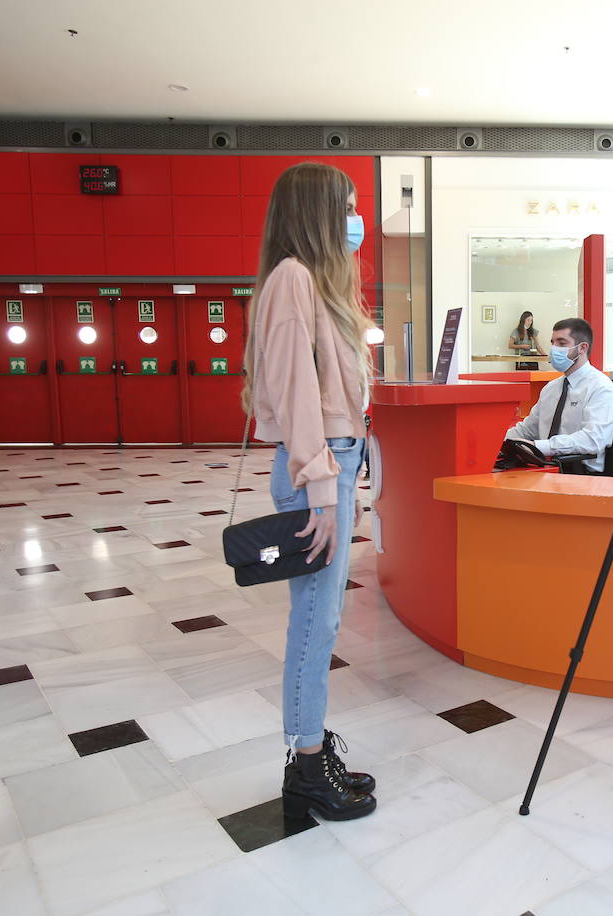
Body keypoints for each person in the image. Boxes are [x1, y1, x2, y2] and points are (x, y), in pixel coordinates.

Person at [242, 162, 377, 822]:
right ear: (319, 212)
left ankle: (313, 751)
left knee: (320, 619)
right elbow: (298, 395)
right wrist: (323, 487)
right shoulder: (293, 280)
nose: (357, 219)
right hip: (316, 475)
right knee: (314, 624)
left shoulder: (312, 284)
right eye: (347, 207)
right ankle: (304, 767)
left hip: (330, 468)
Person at [503, 318, 613, 474]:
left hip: (582, 474)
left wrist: (542, 447)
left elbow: (593, 440)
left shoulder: (601, 388)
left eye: (562, 343)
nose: (554, 348)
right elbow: (527, 430)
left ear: (582, 348)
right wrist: (497, 441)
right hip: (544, 470)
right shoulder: (551, 388)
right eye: (553, 343)